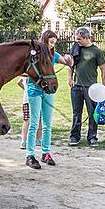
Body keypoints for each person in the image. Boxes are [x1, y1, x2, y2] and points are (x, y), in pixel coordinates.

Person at [25, 30, 73, 169]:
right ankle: (30, 154)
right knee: (34, 123)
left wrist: (69, 59)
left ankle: (46, 153)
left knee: (47, 124)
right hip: (35, 90)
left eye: (54, 43)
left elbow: (67, 62)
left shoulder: (54, 55)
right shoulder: (36, 55)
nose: (52, 45)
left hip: (49, 91)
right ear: (45, 40)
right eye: (50, 42)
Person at [67, 26, 105, 148]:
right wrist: (69, 78)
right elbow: (70, 65)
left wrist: (103, 88)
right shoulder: (75, 49)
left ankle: (92, 137)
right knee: (76, 113)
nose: (77, 41)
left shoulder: (97, 51)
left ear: (86, 37)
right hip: (76, 87)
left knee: (92, 113)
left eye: (79, 39)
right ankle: (74, 137)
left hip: (92, 89)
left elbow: (103, 70)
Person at [17, 75, 42, 150]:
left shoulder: (25, 74)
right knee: (39, 120)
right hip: (35, 100)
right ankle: (38, 139)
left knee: (27, 120)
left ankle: (24, 141)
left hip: (26, 100)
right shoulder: (35, 75)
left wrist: (25, 89)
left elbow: (18, 82)